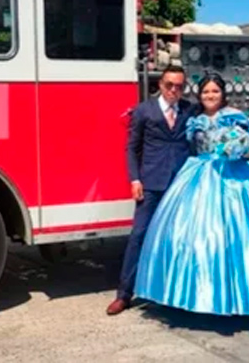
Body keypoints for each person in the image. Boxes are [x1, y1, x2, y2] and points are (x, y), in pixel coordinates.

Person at [133, 73, 249, 316]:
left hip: (237, 179)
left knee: (243, 237)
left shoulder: (235, 116)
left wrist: (238, 150)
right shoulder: (194, 118)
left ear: (223, 94)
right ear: (199, 95)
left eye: (215, 91)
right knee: (195, 238)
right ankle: (199, 296)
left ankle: (244, 295)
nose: (210, 96)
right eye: (206, 92)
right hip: (200, 177)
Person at [106, 64, 196, 316]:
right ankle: (124, 295)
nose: (174, 90)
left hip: (180, 185)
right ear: (160, 85)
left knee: (178, 239)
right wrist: (135, 180)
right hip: (151, 185)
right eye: (169, 85)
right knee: (139, 237)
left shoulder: (190, 110)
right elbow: (131, 149)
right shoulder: (144, 110)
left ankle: (174, 294)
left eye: (179, 86)